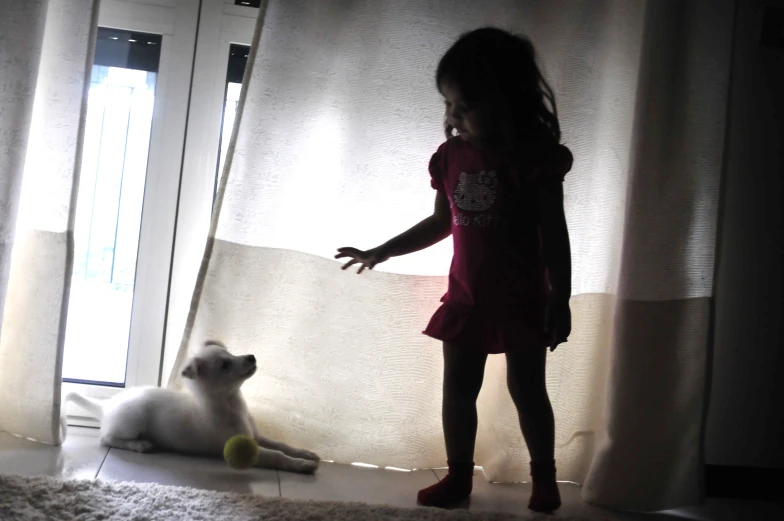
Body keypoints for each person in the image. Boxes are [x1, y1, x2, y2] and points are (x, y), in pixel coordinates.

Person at [335, 27, 573, 513]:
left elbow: (557, 236)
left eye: (463, 106)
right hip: (466, 300)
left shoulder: (533, 161)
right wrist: (382, 250)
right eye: (447, 105)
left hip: (524, 301)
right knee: (458, 392)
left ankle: (544, 479)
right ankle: (458, 478)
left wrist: (560, 298)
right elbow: (441, 222)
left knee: (528, 391)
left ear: (504, 101)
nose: (451, 116)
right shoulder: (450, 158)